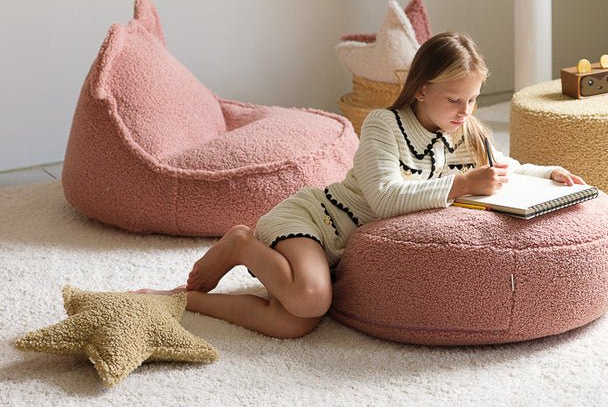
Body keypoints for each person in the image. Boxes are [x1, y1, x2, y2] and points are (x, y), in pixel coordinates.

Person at [169, 32, 583, 339]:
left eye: (473, 99)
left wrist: (549, 173)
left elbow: (504, 167)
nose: (466, 110)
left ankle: (190, 301)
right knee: (311, 299)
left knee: (292, 324)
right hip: (315, 221)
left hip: (340, 247)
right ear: (421, 90)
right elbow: (384, 198)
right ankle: (241, 244)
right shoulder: (384, 124)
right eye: (455, 99)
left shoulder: (465, 131)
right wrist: (459, 185)